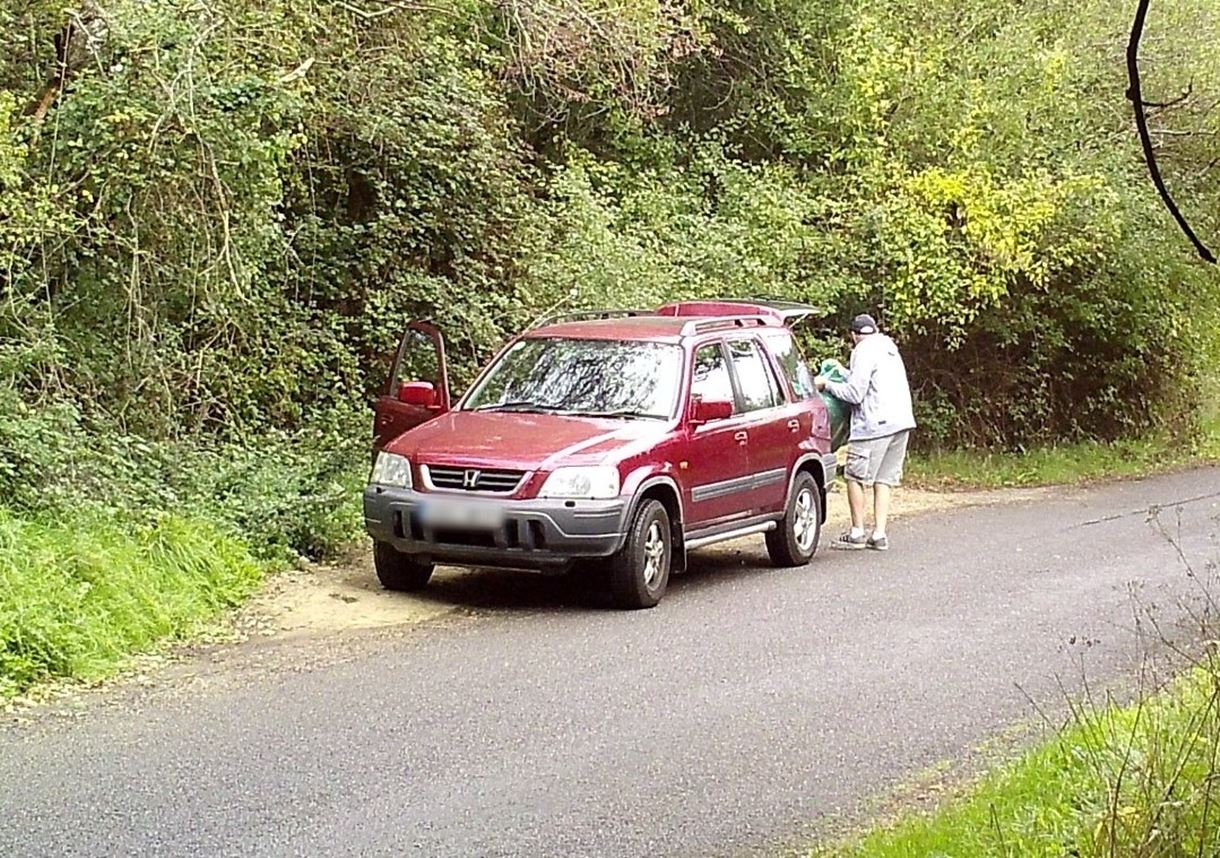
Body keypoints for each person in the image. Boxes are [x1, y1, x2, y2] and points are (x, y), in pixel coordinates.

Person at [815, 313, 915, 551]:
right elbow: (867, 380)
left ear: (853, 335)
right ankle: (879, 535)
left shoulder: (862, 350)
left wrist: (826, 385)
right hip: (901, 422)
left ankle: (857, 532)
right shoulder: (887, 346)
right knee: (883, 479)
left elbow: (855, 394)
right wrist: (843, 372)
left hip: (874, 425)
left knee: (854, 476)